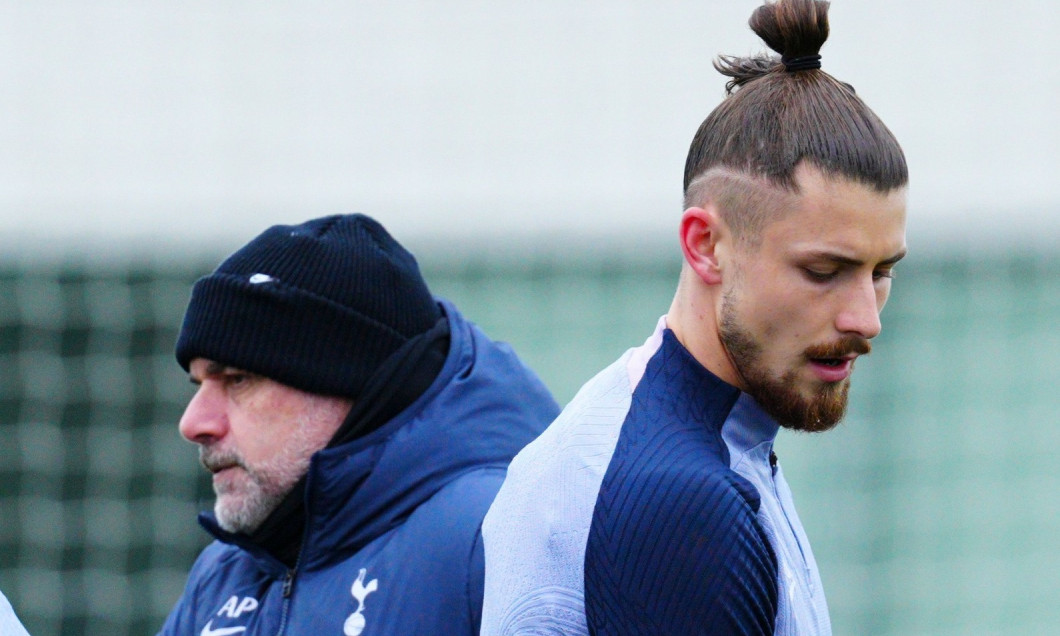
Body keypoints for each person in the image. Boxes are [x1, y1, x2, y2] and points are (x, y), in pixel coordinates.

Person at [480, 0, 907, 634]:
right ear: (706, 245)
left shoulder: (658, 424)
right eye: (824, 271)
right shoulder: (681, 503)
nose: (865, 318)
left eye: (881, 271)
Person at [157, 214, 559, 635]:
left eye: (238, 379)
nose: (193, 422)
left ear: (349, 381)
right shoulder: (224, 574)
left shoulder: (496, 539)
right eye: (198, 384)